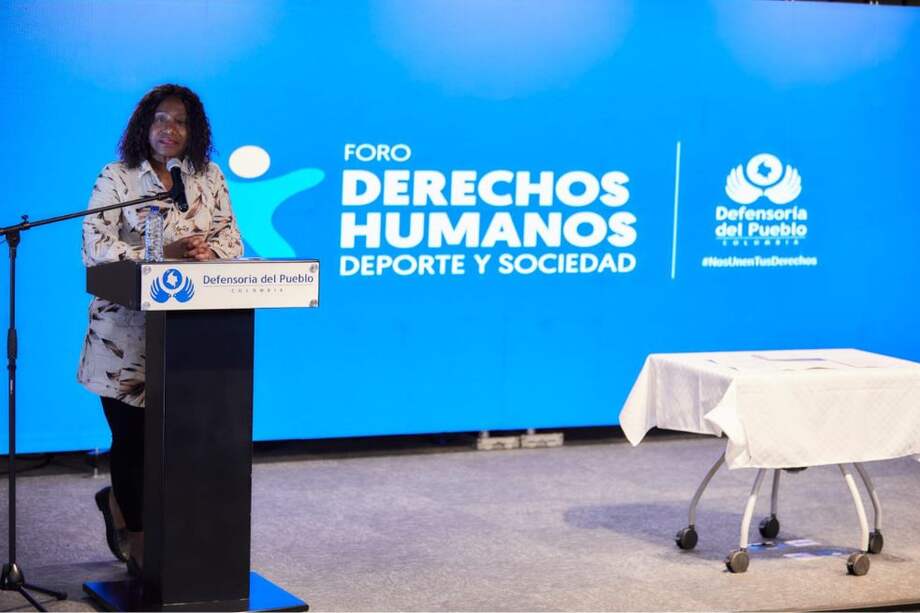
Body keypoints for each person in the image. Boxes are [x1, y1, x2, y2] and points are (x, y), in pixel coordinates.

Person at [77, 83, 244, 576]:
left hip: (189, 336)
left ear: (194, 131)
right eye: (161, 119)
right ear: (145, 125)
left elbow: (231, 239)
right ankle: (140, 542)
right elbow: (95, 247)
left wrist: (208, 252)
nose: (170, 129)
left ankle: (130, 508)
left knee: (176, 443)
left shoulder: (208, 177)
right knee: (133, 441)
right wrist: (161, 254)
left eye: (181, 122)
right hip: (124, 339)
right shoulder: (117, 177)